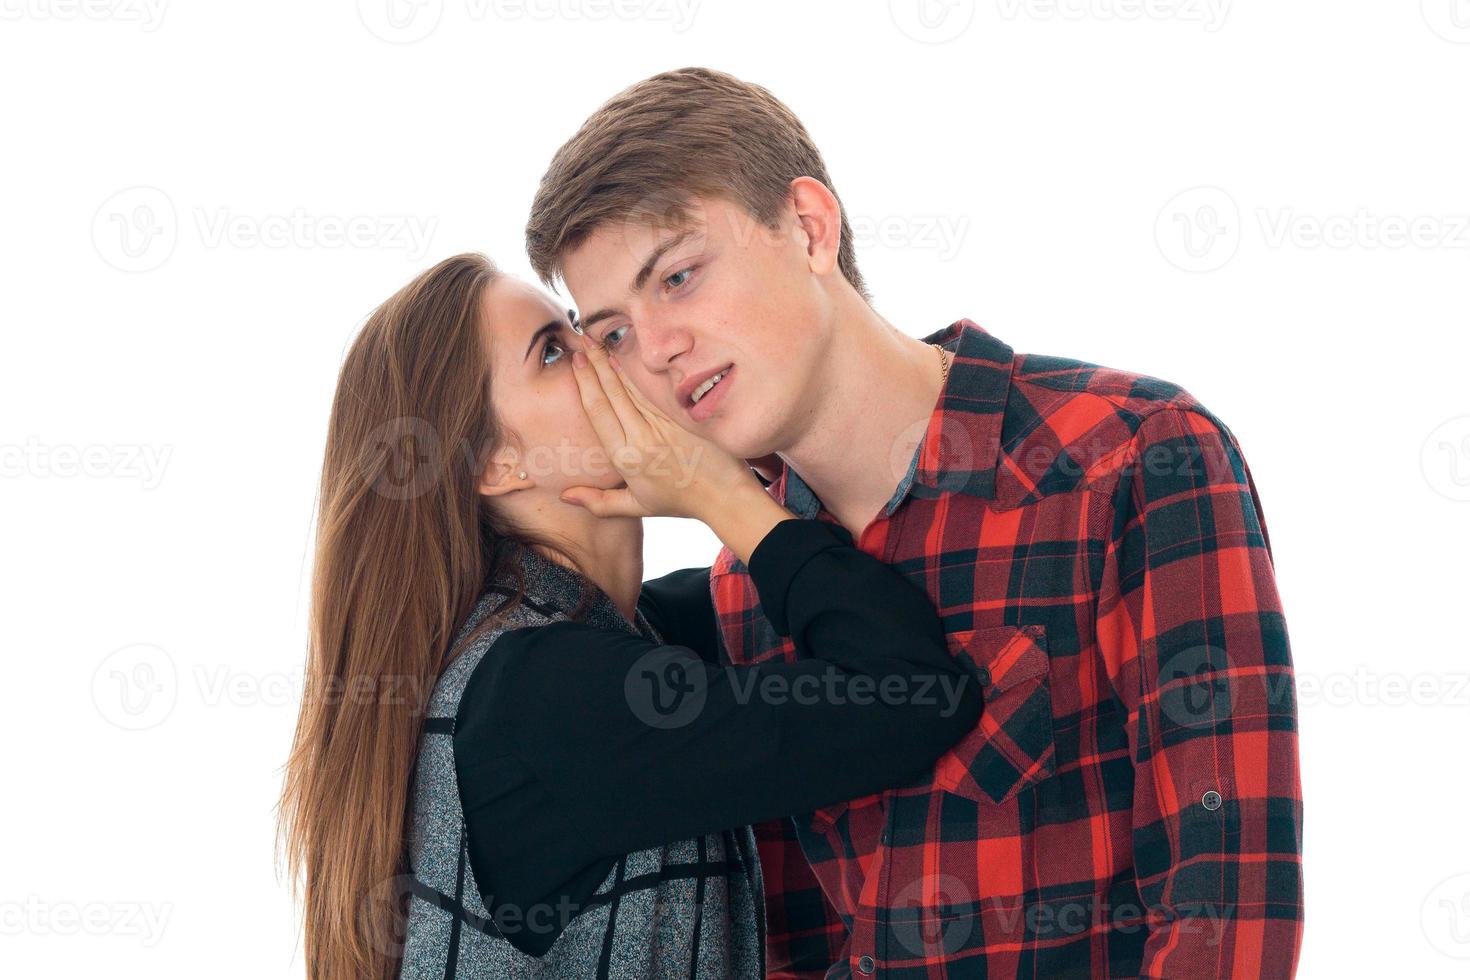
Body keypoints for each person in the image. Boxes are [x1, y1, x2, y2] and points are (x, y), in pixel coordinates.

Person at [526, 66, 1305, 978]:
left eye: (680, 276)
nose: (656, 350)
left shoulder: (1130, 457)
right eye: (611, 331)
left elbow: (1227, 917)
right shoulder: (750, 579)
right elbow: (796, 950)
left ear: (811, 230)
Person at [277, 252, 983, 979]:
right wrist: (720, 495)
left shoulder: (614, 637)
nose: (613, 354)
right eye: (554, 352)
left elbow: (804, 589)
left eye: (589, 330)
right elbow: (916, 696)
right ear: (494, 463)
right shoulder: (543, 697)